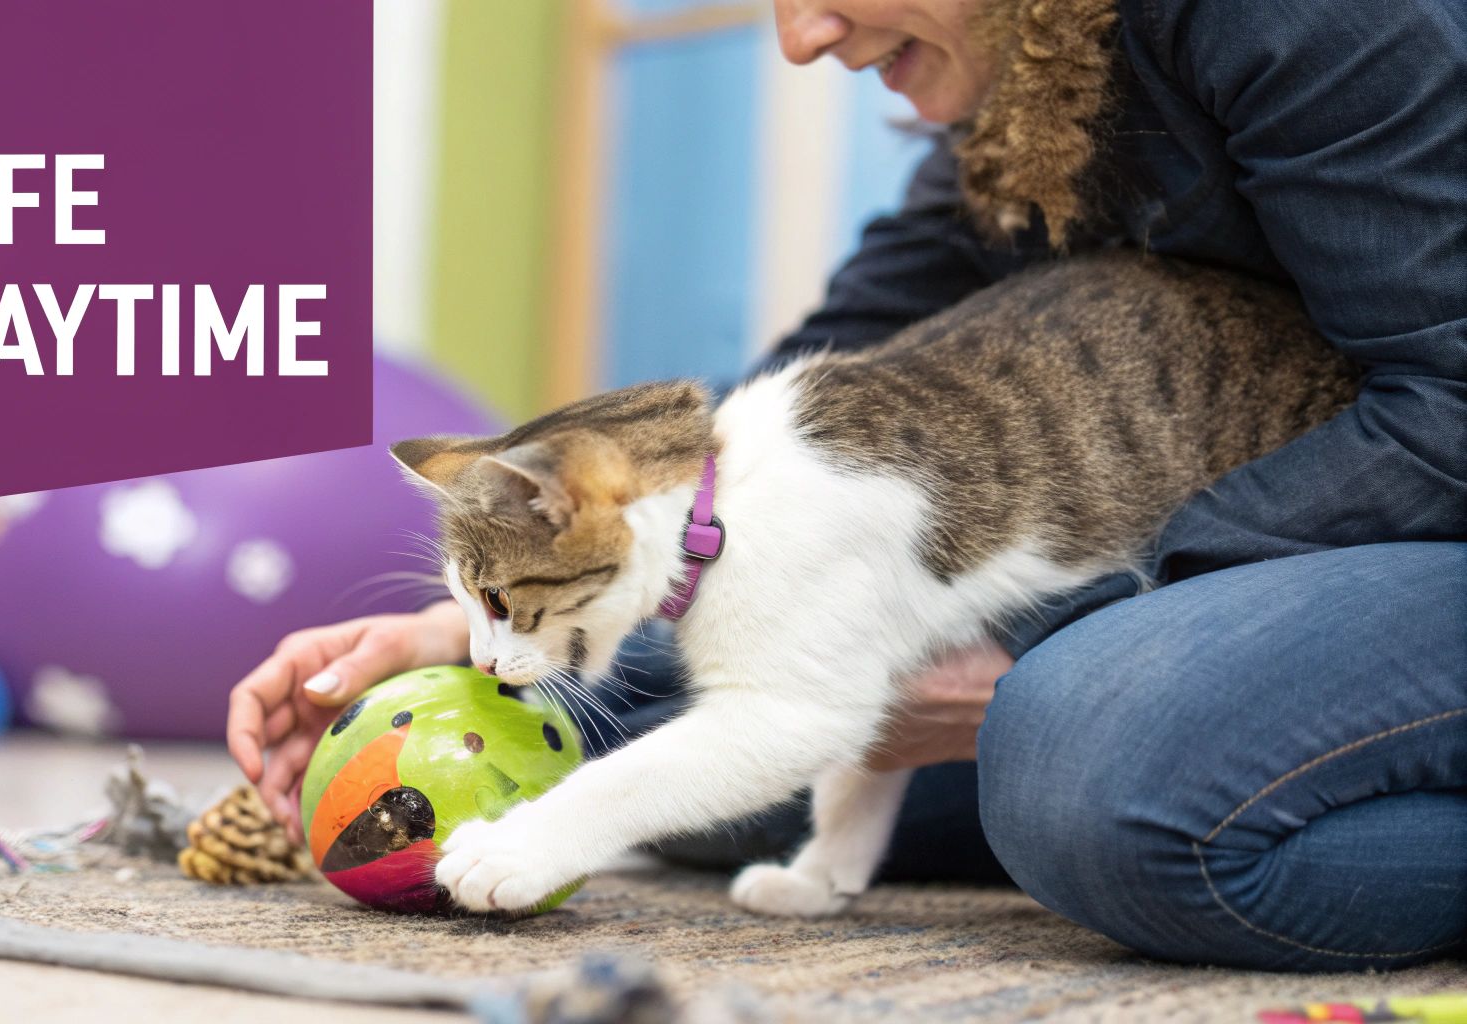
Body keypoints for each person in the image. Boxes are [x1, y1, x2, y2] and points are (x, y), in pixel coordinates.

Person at [229, 0, 1467, 971]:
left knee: (1081, 770)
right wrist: (473, 625)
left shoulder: (1307, 15)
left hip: (1417, 488)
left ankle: (1152, 783)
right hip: (1240, 505)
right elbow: (755, 440)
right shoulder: (1026, 90)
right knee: (697, 756)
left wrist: (1045, 646)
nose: (800, 37)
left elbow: (1446, 413)